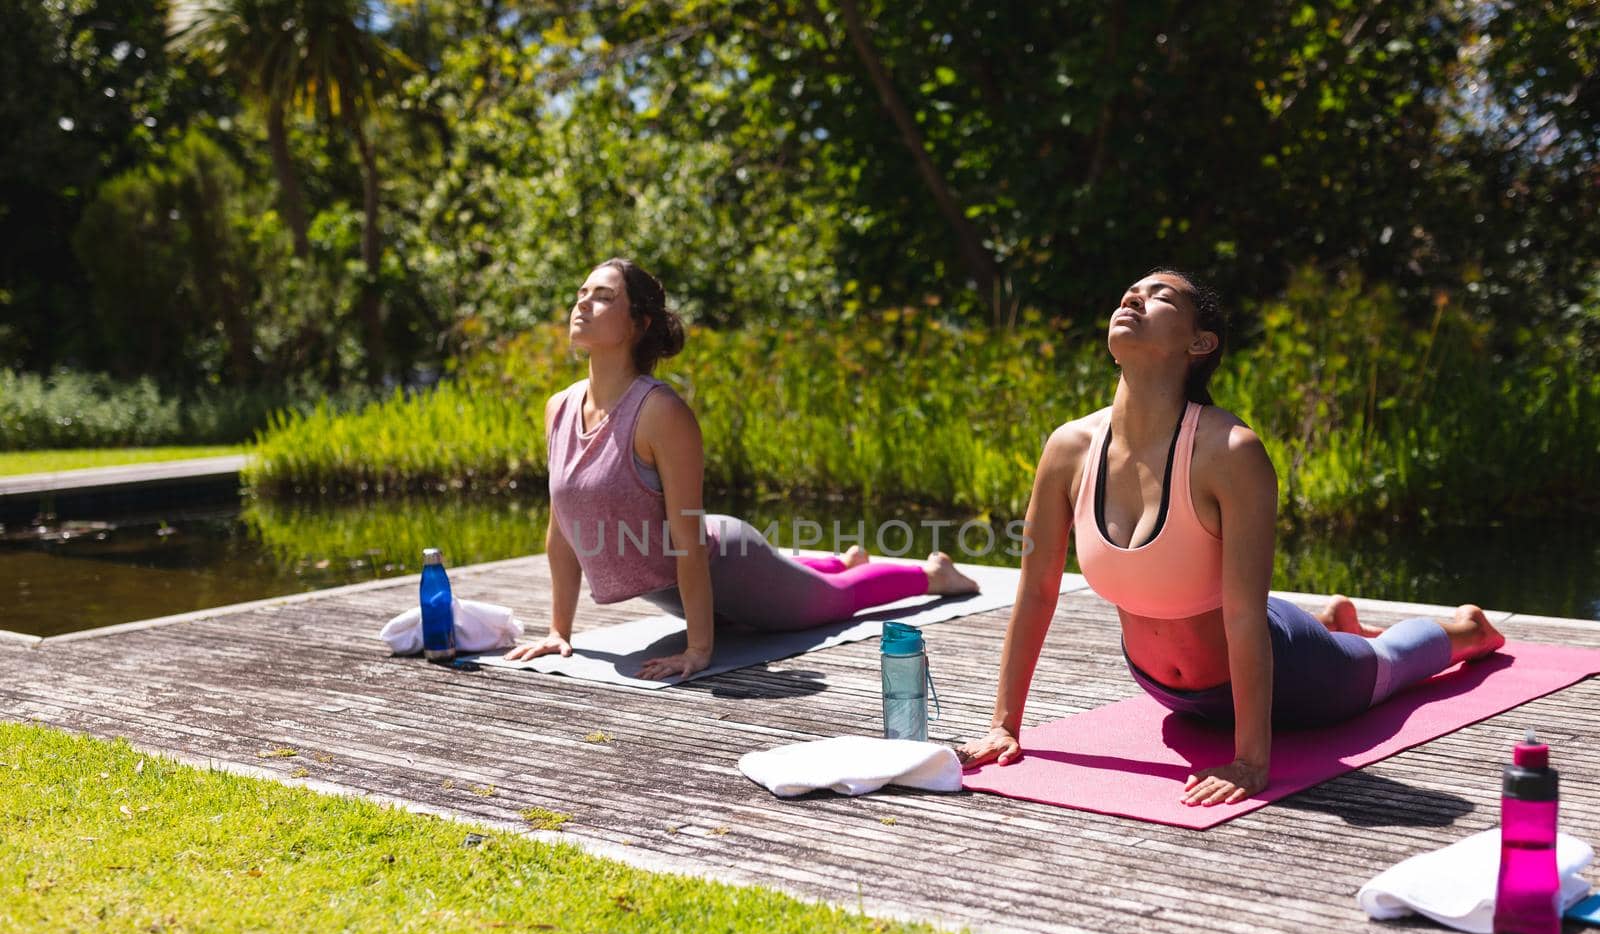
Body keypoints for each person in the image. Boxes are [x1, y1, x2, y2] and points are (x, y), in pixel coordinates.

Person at [955, 269, 1504, 805]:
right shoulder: (1068, 448)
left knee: (1389, 663)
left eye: (1160, 295)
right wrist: (1005, 726)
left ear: (1200, 342)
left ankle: (1465, 628)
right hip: (1163, 687)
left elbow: (1243, 615)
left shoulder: (1230, 452)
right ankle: (1333, 621)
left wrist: (1250, 763)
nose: (1134, 297)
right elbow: (1036, 592)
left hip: (1291, 675)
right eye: (1131, 291)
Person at [506, 258, 979, 681]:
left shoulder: (657, 411)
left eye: (604, 296)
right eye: (581, 293)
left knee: (836, 602)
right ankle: (841, 559)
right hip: (673, 587)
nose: (583, 303)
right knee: (804, 584)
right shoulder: (559, 408)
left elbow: (686, 535)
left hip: (724, 564)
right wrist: (557, 630)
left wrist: (699, 649)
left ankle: (933, 574)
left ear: (637, 323)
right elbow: (562, 527)